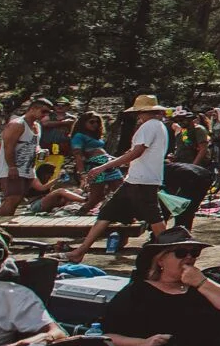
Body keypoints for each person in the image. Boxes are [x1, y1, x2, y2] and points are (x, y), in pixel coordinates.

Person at [66, 94, 172, 262]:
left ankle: (170, 254)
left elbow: (137, 151)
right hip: (137, 178)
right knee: (107, 213)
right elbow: (137, 153)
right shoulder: (159, 126)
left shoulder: (149, 126)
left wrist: (105, 166)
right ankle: (81, 250)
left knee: (154, 218)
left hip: (141, 180)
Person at [0, 98, 49, 218]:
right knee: (12, 197)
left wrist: (40, 151)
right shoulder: (17, 124)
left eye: (48, 113)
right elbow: (8, 147)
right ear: (33, 109)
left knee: (19, 198)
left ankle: (7, 222)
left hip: (28, 168)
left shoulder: (37, 126)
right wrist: (12, 167)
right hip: (12, 167)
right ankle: (0, 225)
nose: (45, 115)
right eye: (43, 111)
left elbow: (34, 144)